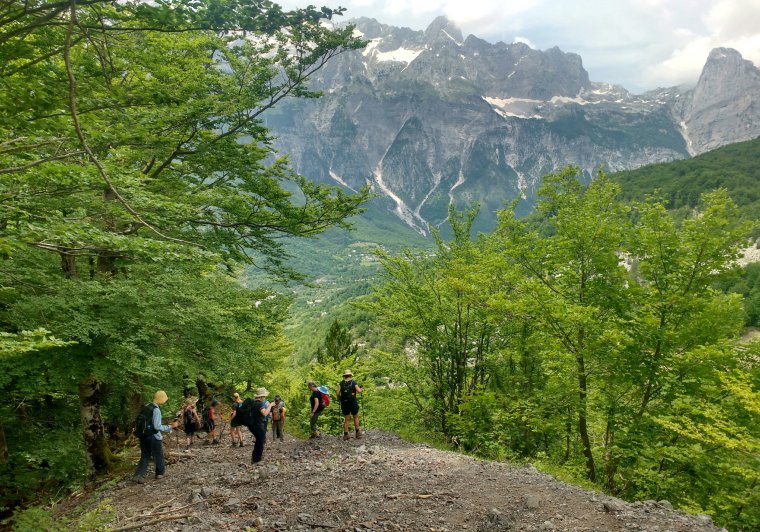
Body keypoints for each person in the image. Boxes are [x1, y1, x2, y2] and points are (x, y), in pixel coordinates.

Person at [133, 390, 178, 483]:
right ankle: (159, 473)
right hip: (153, 437)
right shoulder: (156, 410)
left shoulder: (147, 406)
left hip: (143, 435)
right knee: (158, 455)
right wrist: (171, 426)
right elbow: (157, 426)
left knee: (145, 456)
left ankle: (138, 475)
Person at [337, 369, 363, 440]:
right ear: (350, 375)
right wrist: (362, 389)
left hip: (344, 403)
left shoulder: (340, 383)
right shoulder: (353, 382)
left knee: (347, 419)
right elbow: (359, 391)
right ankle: (357, 433)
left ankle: (345, 435)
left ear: (344, 376)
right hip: (353, 402)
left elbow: (337, 393)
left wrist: (340, 399)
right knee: (355, 417)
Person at [250, 387, 273, 464]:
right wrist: (270, 405)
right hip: (259, 425)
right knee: (260, 443)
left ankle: (254, 458)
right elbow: (265, 413)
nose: (265, 398)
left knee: (258, 442)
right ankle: (257, 460)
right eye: (264, 396)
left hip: (253, 425)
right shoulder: (259, 403)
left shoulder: (253, 402)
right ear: (262, 396)